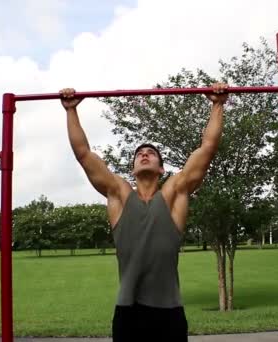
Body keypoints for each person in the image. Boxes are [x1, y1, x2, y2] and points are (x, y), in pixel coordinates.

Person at [60, 83, 229, 341]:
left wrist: (217, 104)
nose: (145, 154)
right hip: (128, 313)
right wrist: (71, 110)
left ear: (162, 169)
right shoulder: (119, 194)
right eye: (140, 153)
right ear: (133, 167)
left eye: (151, 153)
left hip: (169, 313)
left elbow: (207, 149)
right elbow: (83, 154)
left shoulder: (174, 194)